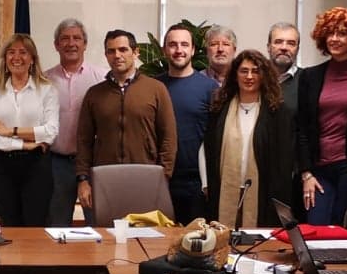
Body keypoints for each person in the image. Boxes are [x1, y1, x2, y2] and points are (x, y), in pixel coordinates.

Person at [74, 30, 177, 217]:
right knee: (103, 239)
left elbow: (168, 137)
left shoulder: (156, 90)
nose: (117, 56)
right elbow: (83, 140)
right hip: (105, 179)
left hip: (146, 178)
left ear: (135, 52)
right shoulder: (94, 94)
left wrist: (163, 176)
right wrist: (83, 180)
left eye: (123, 49)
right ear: (106, 55)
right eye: (111, 51)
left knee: (144, 238)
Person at [294, 6, 347, 224]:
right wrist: (306, 173)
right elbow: (302, 128)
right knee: (316, 225)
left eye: (342, 33)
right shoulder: (310, 76)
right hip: (318, 168)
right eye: (330, 33)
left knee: (343, 224)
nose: (334, 39)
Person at [203, 50, 296, 228]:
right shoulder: (220, 108)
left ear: (264, 75)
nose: (249, 76)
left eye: (255, 71)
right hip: (225, 188)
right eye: (244, 71)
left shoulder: (277, 111)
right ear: (235, 75)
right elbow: (208, 149)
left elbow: (283, 160)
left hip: (262, 192)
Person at [0, 34, 58, 227]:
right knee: (10, 223)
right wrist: (25, 144)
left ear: (32, 59)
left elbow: (51, 131)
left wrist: (9, 131)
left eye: (23, 52)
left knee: (35, 223)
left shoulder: (47, 89)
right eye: (11, 52)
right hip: (3, 166)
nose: (17, 57)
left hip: (37, 165)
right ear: (5, 59)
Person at [43, 19, 107, 226]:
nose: (71, 43)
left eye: (77, 38)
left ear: (85, 44)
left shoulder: (102, 78)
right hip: (57, 163)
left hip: (92, 163)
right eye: (65, 39)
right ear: (56, 45)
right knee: (56, 224)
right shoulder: (44, 80)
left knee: (97, 224)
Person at [156, 23, 218, 224]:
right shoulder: (154, 87)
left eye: (184, 44)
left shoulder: (210, 88)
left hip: (197, 183)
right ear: (165, 49)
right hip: (160, 179)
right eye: (173, 45)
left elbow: (216, 136)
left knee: (196, 245)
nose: (179, 50)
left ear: (192, 50)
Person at [267, 22, 302, 101]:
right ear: (268, 47)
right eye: (278, 42)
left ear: (297, 50)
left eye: (291, 43)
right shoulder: (255, 77)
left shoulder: (306, 80)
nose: (284, 47)